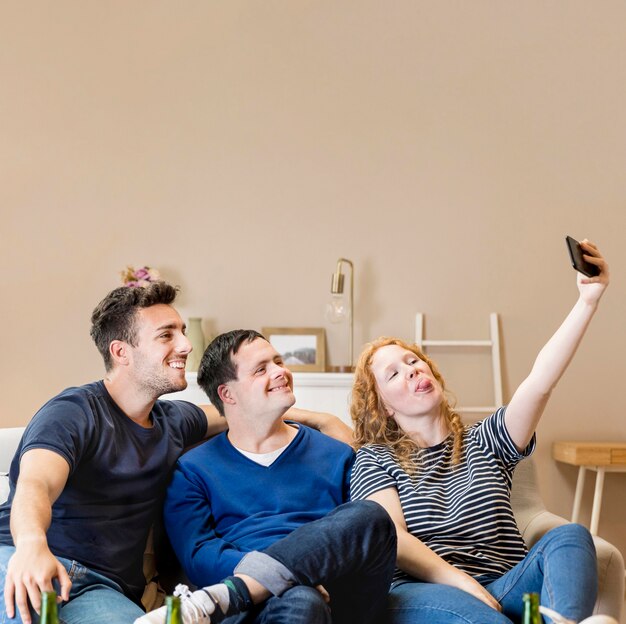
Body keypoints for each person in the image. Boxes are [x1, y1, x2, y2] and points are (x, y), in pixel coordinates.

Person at [0, 283, 350, 624]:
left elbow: (241, 405)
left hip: (102, 588)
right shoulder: (74, 412)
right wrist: (31, 546)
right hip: (20, 557)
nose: (185, 345)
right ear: (121, 352)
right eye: (167, 335)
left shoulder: (174, 421)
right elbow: (36, 483)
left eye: (182, 332)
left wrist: (320, 419)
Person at [349, 240, 612, 624]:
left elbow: (539, 382)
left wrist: (587, 301)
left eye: (413, 360)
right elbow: (396, 540)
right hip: (423, 594)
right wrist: (460, 581)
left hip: (505, 582)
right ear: (383, 406)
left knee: (571, 536)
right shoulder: (375, 459)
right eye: (393, 373)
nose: (411, 369)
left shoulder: (486, 440)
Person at [135, 329, 397, 624]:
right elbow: (198, 555)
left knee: (371, 515)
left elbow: (360, 535)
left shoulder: (337, 454)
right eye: (261, 369)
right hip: (246, 612)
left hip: (338, 599)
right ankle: (256, 589)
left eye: (278, 361)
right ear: (227, 394)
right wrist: (285, 578)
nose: (281, 371)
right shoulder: (192, 470)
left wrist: (303, 573)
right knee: (300, 597)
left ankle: (241, 591)